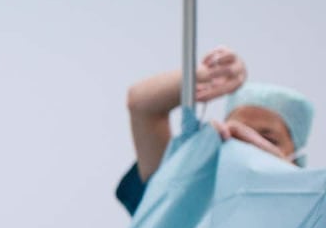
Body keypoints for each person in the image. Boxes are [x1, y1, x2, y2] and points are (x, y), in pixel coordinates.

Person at [118, 45, 314, 215]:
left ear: (294, 158)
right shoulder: (185, 198)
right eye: (237, 136)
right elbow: (142, 105)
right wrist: (209, 74)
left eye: (268, 140)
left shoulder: (308, 221)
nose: (249, 146)